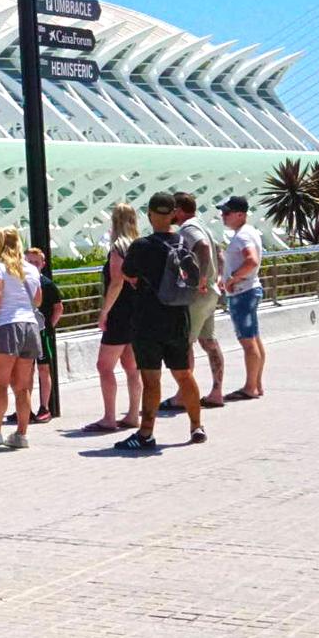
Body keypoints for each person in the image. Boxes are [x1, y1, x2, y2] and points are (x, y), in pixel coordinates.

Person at [114, 192, 207, 450]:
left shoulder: (142, 246)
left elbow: (128, 274)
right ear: (173, 214)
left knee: (151, 379)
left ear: (150, 214)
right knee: (184, 375)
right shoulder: (182, 242)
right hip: (178, 317)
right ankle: (196, 426)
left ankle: (146, 433)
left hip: (148, 320)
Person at [0, 228, 55, 451]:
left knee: (0, 385)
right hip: (30, 327)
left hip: (8, 326)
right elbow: (37, 301)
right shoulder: (31, 269)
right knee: (22, 386)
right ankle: (21, 434)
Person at [161, 192, 230, 411]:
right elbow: (219, 252)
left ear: (179, 210)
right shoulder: (202, 224)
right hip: (210, 294)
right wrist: (217, 278)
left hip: (197, 295)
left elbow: (204, 248)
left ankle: (183, 395)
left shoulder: (188, 229)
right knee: (209, 341)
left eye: (172, 209)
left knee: (185, 343)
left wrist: (200, 278)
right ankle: (216, 392)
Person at [84, 204, 144, 434]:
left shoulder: (118, 248)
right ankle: (132, 414)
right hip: (137, 311)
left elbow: (116, 282)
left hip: (120, 312)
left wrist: (104, 311)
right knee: (131, 366)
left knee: (104, 365)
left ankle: (109, 417)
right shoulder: (138, 245)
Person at [219, 195, 270, 401]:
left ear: (240, 214)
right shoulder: (248, 232)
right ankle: (256, 384)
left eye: (227, 213)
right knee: (254, 339)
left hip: (243, 293)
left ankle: (250, 387)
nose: (223, 216)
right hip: (249, 290)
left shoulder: (242, 236)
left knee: (248, 342)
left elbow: (251, 260)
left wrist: (232, 279)